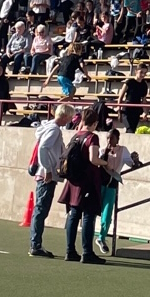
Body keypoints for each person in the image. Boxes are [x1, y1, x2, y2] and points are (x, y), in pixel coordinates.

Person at [62, 105, 108, 264]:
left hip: (74, 180)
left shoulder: (76, 136)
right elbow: (93, 159)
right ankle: (87, 252)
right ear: (94, 123)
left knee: (74, 215)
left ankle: (70, 250)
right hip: (88, 181)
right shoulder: (92, 137)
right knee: (88, 216)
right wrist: (106, 163)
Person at [28, 105, 71, 257]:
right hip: (47, 175)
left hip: (44, 173)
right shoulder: (54, 130)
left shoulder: (48, 127)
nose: (70, 120)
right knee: (41, 210)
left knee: (40, 209)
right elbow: (43, 148)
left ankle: (36, 244)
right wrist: (47, 169)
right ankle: (35, 245)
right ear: (65, 116)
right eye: (69, 117)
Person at [119, 63, 149, 134]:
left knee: (132, 130)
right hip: (127, 109)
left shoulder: (144, 85)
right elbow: (120, 97)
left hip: (136, 110)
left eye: (145, 73)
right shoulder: (129, 82)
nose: (143, 75)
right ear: (136, 71)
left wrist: (145, 112)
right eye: (141, 72)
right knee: (130, 129)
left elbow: (143, 100)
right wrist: (119, 111)